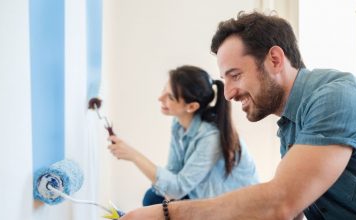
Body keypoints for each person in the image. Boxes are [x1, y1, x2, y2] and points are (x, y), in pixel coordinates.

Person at [119, 11, 356, 220]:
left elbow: (281, 203)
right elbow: (295, 208)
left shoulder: (336, 98)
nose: (228, 94)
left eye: (235, 75)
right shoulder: (290, 125)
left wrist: (166, 214)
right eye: (225, 79)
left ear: (275, 60)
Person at [108, 65, 259, 206]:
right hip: (200, 193)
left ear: (191, 106)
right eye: (164, 90)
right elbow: (173, 171)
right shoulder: (178, 124)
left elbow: (178, 188)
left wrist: (134, 156)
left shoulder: (211, 138)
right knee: (153, 197)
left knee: (154, 201)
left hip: (233, 207)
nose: (160, 98)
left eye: (170, 97)